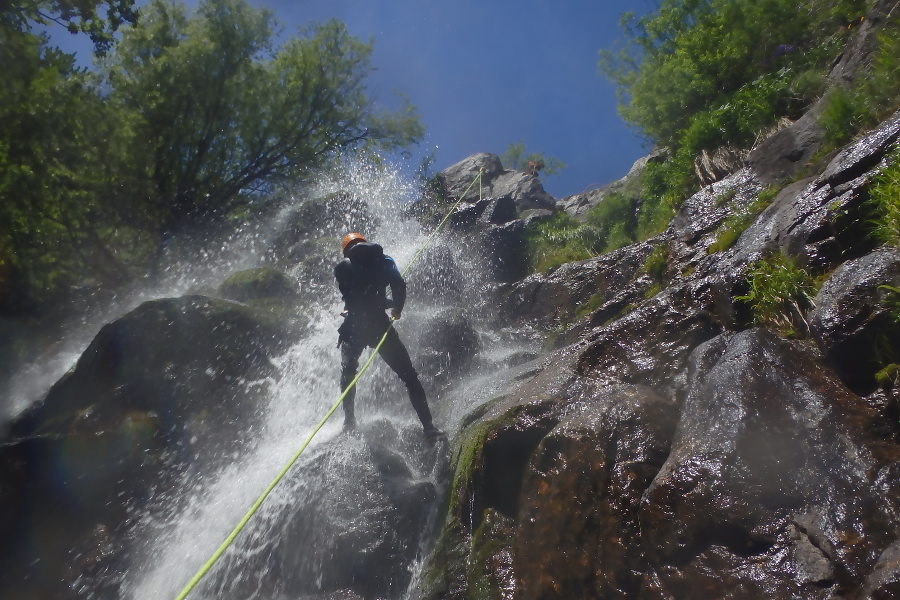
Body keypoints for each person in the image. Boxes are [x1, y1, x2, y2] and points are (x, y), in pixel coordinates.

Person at [334, 232, 444, 441]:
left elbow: (352, 298)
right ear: (365, 243)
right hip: (379, 326)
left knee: (348, 373)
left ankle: (349, 422)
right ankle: (429, 427)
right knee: (409, 377)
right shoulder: (383, 260)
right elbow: (398, 285)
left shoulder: (343, 267)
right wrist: (397, 308)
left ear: (346, 250)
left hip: (353, 328)